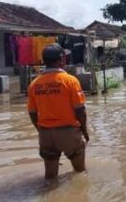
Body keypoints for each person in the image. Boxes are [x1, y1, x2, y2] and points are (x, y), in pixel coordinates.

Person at [27, 43, 89, 180]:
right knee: (80, 173)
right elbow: (80, 111)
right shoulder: (71, 81)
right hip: (69, 133)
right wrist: (84, 131)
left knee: (50, 178)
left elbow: (32, 113)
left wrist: (41, 130)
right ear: (62, 60)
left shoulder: (34, 84)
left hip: (46, 134)